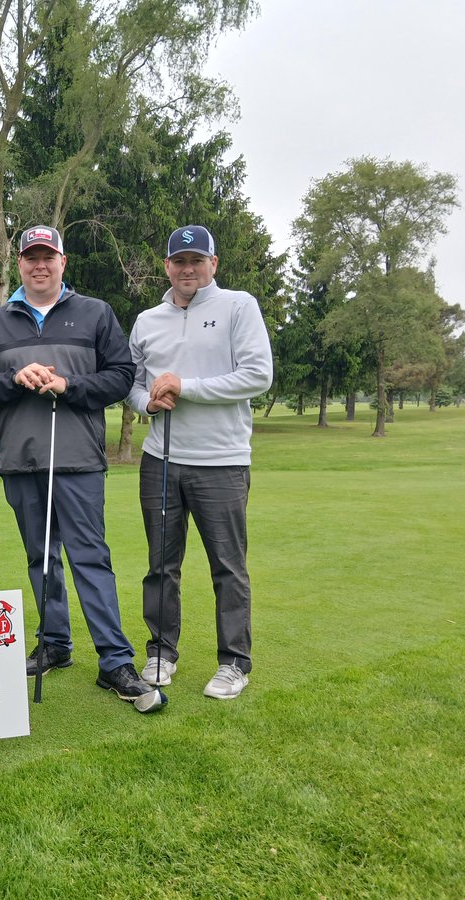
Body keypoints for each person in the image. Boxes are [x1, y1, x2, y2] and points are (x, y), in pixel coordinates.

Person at [0, 225, 163, 711]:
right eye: (30, 257)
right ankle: (55, 643)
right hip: (21, 459)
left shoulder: (94, 313)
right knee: (41, 558)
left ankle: (114, 661)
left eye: (47, 257)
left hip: (78, 460)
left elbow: (120, 377)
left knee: (89, 558)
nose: (39, 265)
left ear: (62, 262)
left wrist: (69, 386)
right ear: (20, 264)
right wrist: (14, 378)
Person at [128, 225, 273, 701]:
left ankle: (234, 663)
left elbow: (257, 375)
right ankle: (161, 652)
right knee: (161, 566)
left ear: (213, 263)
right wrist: (147, 404)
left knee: (227, 567)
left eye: (196, 260)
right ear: (167, 266)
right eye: (179, 261)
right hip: (161, 459)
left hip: (221, 461)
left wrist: (184, 387)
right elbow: (131, 383)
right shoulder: (147, 319)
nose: (187, 269)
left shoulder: (238, 306)